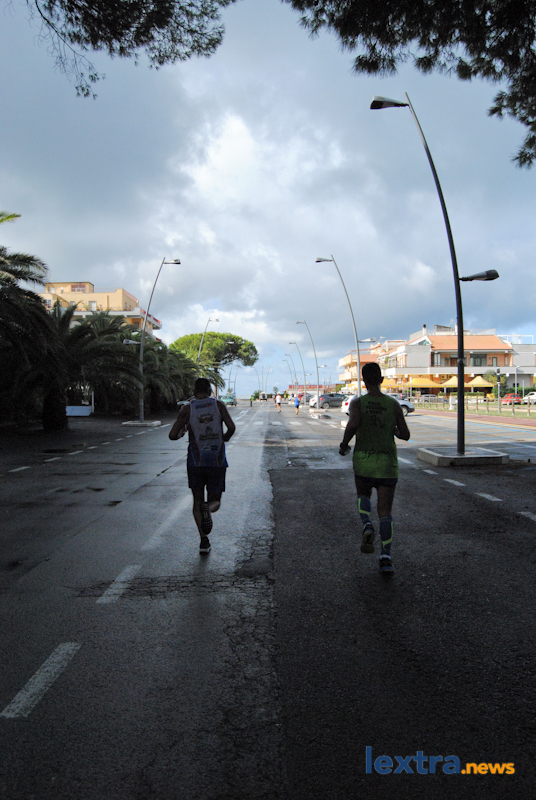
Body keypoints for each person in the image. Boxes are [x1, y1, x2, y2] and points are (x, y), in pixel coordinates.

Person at [339, 362, 410, 574]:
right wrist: (392, 430)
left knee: (363, 495)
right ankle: (386, 558)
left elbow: (352, 425)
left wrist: (344, 445)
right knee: (386, 511)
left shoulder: (358, 403)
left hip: (364, 462)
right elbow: (405, 435)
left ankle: (367, 524)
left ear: (364, 381)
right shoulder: (393, 404)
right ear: (381, 380)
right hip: (387, 465)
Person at [169, 377, 236, 554]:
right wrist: (224, 439)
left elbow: (172, 435)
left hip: (195, 462)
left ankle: (203, 541)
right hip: (216, 461)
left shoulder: (187, 409)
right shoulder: (218, 405)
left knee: (197, 501)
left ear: (194, 391)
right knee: (215, 501)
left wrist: (183, 431)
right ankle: (209, 508)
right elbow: (231, 427)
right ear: (209, 390)